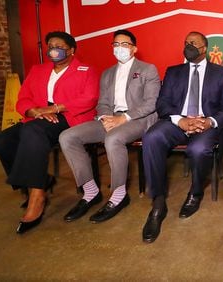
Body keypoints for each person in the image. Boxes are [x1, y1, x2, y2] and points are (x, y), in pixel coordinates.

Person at [0, 31, 99, 234]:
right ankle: (39, 179)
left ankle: (37, 194)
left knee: (32, 131)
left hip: (69, 117)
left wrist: (54, 109)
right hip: (38, 117)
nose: (53, 49)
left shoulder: (86, 70)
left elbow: (90, 98)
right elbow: (23, 98)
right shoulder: (38, 70)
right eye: (50, 45)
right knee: (1, 140)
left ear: (71, 50)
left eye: (59, 46)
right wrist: (34, 111)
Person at [141, 31, 223, 243]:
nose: (188, 46)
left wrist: (209, 121)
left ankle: (195, 193)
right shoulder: (173, 72)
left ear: (205, 48)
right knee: (151, 138)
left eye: (193, 43)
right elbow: (162, 104)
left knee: (198, 149)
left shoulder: (221, 73)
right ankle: (158, 202)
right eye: (186, 43)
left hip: (206, 123)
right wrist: (180, 120)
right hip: (178, 122)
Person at [59, 29, 160, 223]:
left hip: (138, 119)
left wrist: (123, 119)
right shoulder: (107, 73)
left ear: (134, 48)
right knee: (67, 136)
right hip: (110, 119)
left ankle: (119, 195)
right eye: (116, 44)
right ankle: (90, 192)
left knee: (113, 139)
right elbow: (103, 102)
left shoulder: (148, 69)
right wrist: (105, 118)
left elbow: (150, 104)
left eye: (124, 44)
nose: (119, 48)